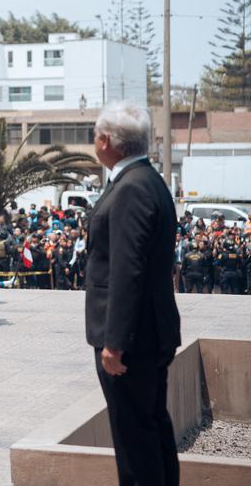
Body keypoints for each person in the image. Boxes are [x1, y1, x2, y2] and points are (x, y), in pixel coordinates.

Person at [86, 102, 181, 486]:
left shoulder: (130, 188)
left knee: (134, 443)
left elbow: (128, 271)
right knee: (151, 428)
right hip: (148, 333)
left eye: (95, 135)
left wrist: (115, 343)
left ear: (106, 141)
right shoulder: (148, 179)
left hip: (132, 340)